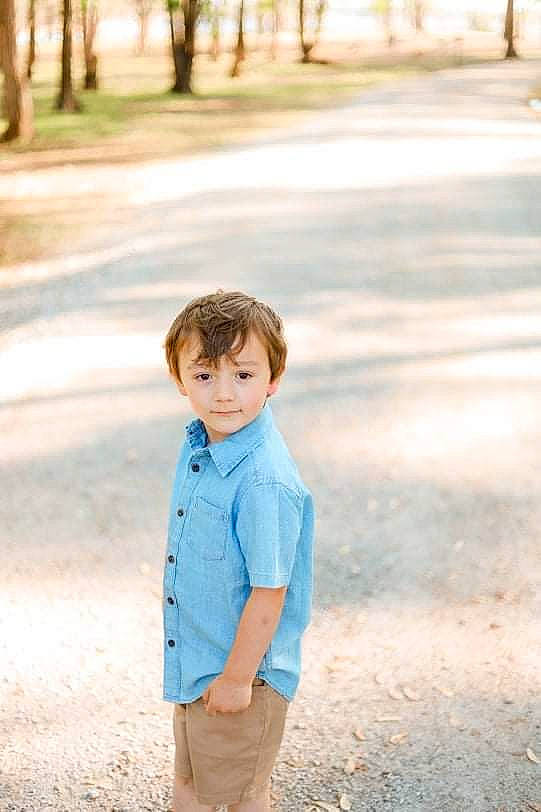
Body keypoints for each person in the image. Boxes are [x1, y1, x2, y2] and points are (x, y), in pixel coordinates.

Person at [161, 289, 314, 811]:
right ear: (179, 378)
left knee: (228, 798)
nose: (224, 394)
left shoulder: (263, 481)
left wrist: (236, 679)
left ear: (274, 377)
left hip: (240, 673)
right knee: (194, 789)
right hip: (201, 663)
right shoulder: (203, 443)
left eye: (243, 375)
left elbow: (270, 594)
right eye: (205, 375)